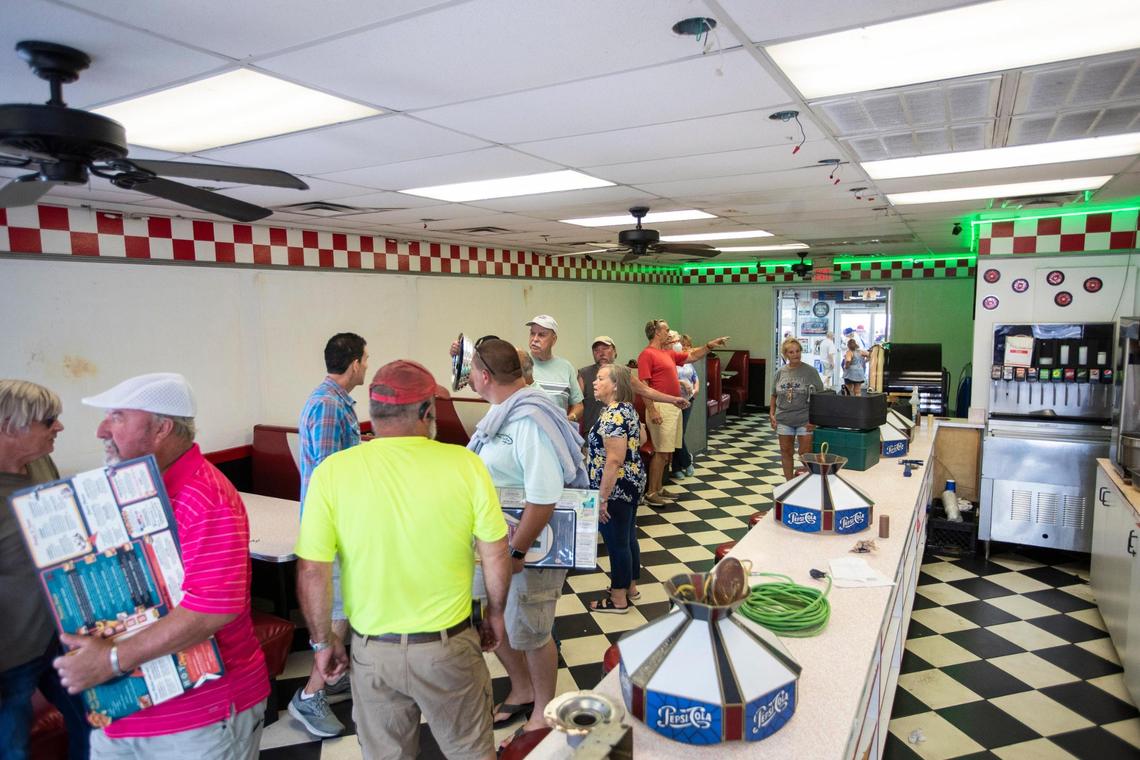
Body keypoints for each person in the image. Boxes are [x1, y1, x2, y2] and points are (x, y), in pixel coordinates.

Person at [295, 360, 511, 760]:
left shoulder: (332, 473)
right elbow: (495, 552)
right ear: (427, 412)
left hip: (372, 654)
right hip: (448, 649)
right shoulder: (465, 464)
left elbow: (312, 569)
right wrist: (496, 614)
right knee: (471, 752)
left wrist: (323, 641)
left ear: (373, 414)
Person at [57, 373, 268, 759]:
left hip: (199, 718)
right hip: (124, 709)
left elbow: (212, 610)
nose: (102, 430)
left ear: (162, 428)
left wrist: (111, 659)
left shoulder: (205, 495)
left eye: (117, 416)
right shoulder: (129, 486)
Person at [463, 338, 588, 752]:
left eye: (471, 371)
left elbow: (543, 496)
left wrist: (516, 552)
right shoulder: (502, 413)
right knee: (490, 620)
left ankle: (544, 710)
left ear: (483, 376)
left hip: (530, 547)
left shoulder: (529, 419)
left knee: (530, 628)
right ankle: (521, 689)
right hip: (494, 544)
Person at [0, 380, 89, 760]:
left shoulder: (40, 462)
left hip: (62, 635)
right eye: (48, 420)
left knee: (95, 726)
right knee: (13, 747)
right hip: (11, 654)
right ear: (9, 427)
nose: (59, 427)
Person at [291, 332, 369, 737]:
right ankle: (310, 695)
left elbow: (339, 457)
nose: (366, 366)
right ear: (354, 363)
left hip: (341, 523)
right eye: (366, 359)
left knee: (344, 606)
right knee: (337, 610)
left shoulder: (338, 403)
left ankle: (333, 675)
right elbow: (326, 473)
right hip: (331, 527)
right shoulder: (325, 405)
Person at [638, 319, 728, 506]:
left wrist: (710, 345)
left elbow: (693, 356)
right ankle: (651, 492)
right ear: (657, 333)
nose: (669, 334)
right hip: (660, 407)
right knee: (660, 452)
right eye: (666, 330)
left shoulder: (667, 353)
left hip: (674, 407)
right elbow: (643, 387)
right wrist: (652, 409)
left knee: (666, 453)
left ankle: (659, 488)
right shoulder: (647, 354)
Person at [586, 364, 646, 613]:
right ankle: (631, 586)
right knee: (628, 537)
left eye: (601, 379)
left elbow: (613, 460)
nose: (594, 382)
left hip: (616, 489)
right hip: (631, 483)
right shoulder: (627, 409)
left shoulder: (612, 415)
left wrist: (602, 498)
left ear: (616, 386)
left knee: (616, 542)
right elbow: (641, 439)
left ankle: (618, 598)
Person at [578, 336, 688, 436]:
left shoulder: (623, 373)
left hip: (623, 431)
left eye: (605, 348)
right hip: (595, 433)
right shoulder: (584, 374)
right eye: (596, 350)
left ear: (615, 351)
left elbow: (646, 391)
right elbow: (577, 405)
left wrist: (673, 399)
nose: (601, 353)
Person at [770, 339, 825, 481]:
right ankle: (789, 484)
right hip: (784, 419)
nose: (795, 354)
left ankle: (809, 481)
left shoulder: (810, 372)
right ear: (786, 354)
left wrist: (816, 420)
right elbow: (774, 395)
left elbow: (821, 397)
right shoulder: (780, 373)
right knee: (786, 452)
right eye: (791, 352)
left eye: (798, 351)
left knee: (805, 453)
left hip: (805, 419)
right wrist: (771, 414)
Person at [525, 315, 584, 424]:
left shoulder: (566, 367)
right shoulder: (520, 362)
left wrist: (570, 418)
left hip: (556, 433)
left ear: (554, 339)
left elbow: (578, 405)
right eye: (532, 333)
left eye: (541, 335)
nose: (535, 339)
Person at [671, 333, 699, 479]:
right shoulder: (670, 360)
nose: (687, 348)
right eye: (684, 345)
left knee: (680, 434)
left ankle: (677, 467)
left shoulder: (687, 361)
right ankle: (686, 463)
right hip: (674, 401)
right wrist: (682, 383)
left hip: (688, 400)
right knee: (677, 435)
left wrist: (695, 390)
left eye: (688, 345)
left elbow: (695, 377)